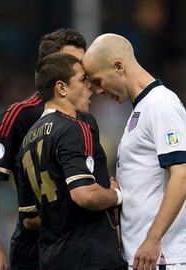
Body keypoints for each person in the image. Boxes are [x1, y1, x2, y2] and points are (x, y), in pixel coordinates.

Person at [0, 28, 112, 270]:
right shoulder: (19, 114)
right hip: (33, 249)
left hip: (78, 248)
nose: (86, 73)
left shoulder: (87, 119)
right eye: (75, 63)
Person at [82, 34, 186, 270]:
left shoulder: (161, 104)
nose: (99, 91)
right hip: (141, 257)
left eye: (99, 81)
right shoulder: (141, 109)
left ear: (119, 66)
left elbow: (182, 177)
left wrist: (153, 239)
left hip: (162, 258)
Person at [17, 52, 127, 270]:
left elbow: (29, 219)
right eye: (82, 79)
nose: (90, 87)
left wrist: (61, 211)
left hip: (52, 259)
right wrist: (117, 195)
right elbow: (84, 194)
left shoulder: (26, 141)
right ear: (61, 88)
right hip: (88, 257)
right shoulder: (73, 128)